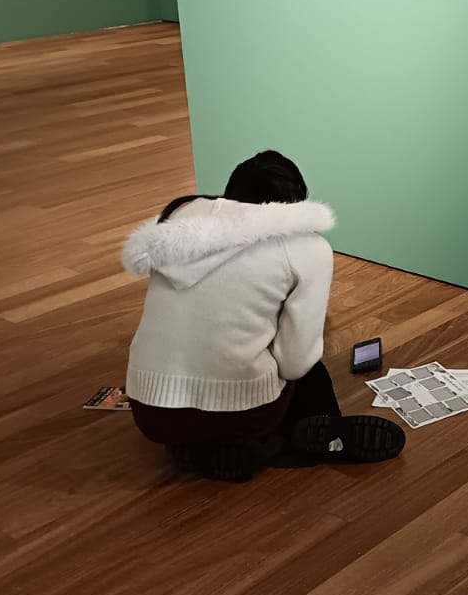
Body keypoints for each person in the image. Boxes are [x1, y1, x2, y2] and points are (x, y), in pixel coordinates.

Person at [122, 150, 404, 481]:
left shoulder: (176, 222)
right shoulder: (307, 248)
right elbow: (295, 364)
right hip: (245, 413)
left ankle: (201, 447)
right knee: (307, 364)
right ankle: (302, 437)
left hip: (152, 413)